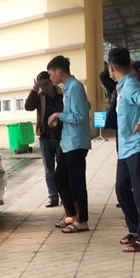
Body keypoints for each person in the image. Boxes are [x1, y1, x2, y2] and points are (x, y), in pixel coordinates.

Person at [107, 48, 140, 252]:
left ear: (111, 67)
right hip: (127, 148)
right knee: (121, 188)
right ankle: (135, 228)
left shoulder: (130, 85)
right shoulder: (122, 86)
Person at [46, 55, 91, 233]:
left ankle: (83, 221)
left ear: (58, 71)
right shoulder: (69, 89)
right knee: (59, 178)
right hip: (68, 142)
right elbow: (87, 105)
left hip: (77, 142)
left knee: (77, 182)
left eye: (51, 74)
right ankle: (71, 214)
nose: (51, 78)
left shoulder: (75, 88)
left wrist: (59, 115)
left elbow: (80, 116)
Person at [24, 70, 63, 208]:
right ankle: (53, 197)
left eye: (46, 84)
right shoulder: (39, 95)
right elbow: (28, 107)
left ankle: (64, 195)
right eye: (41, 85)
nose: (44, 88)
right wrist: (34, 90)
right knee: (49, 170)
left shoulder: (61, 94)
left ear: (51, 82)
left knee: (62, 168)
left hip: (61, 136)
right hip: (45, 137)